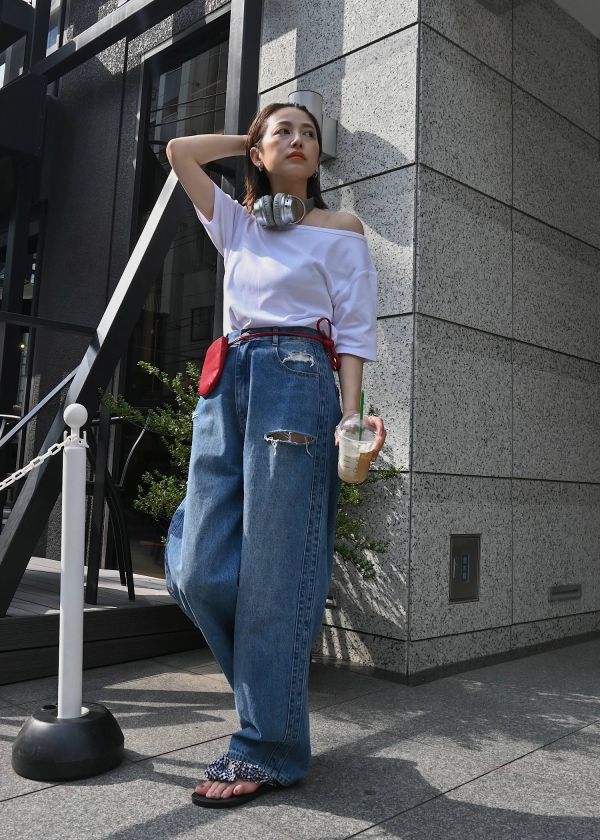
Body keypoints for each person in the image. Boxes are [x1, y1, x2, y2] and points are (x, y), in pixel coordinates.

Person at [163, 102, 386, 808]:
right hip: (226, 380)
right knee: (198, 570)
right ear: (258, 152)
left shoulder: (340, 229)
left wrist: (350, 420)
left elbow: (354, 333)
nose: (298, 139)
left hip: (297, 378)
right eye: (283, 131)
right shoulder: (238, 223)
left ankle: (267, 745)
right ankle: (276, 710)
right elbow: (179, 152)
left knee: (275, 576)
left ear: (319, 157)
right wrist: (252, 138)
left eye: (309, 134)